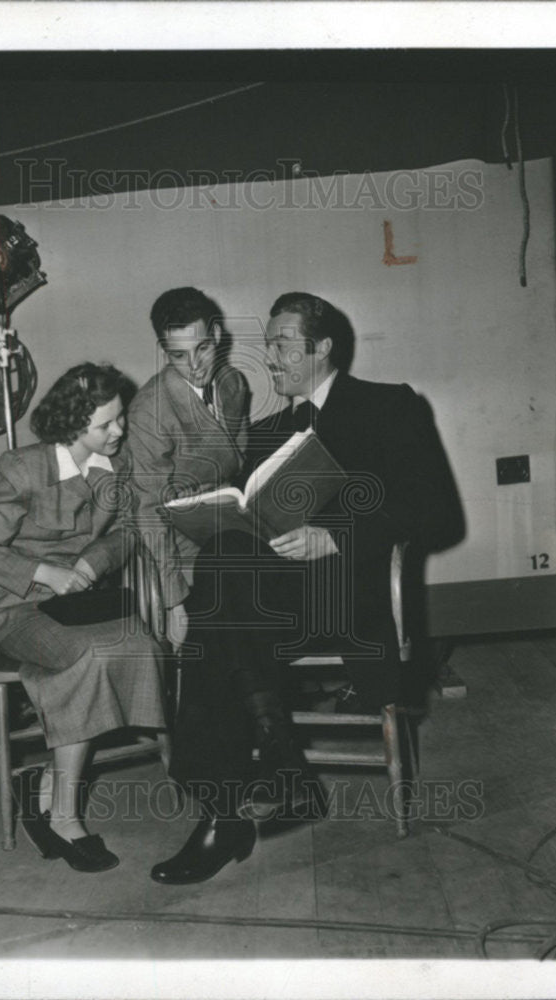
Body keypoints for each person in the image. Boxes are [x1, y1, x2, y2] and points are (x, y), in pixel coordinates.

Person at [151, 292, 463, 885]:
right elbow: (249, 516)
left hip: (351, 595)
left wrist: (336, 537)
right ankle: (266, 779)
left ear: (322, 348)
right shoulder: (268, 429)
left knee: (217, 617)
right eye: (268, 344)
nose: (269, 357)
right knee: (221, 570)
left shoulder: (389, 406)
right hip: (277, 600)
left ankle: (241, 800)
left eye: (281, 344)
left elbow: (438, 514)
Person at [0, 363, 167, 873]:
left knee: (140, 642)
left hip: (81, 602)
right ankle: (64, 816)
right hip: (22, 607)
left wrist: (91, 563)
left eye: (119, 419)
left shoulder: (112, 466)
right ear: (75, 426)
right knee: (88, 658)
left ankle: (48, 782)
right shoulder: (23, 467)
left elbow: (124, 532)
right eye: (107, 425)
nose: (119, 431)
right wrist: (44, 572)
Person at [126, 287, 250, 651]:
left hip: (230, 525)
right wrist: (173, 601)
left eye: (203, 349)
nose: (194, 366)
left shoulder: (233, 384)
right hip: (179, 543)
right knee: (241, 585)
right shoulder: (150, 409)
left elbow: (237, 463)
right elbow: (147, 511)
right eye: (178, 356)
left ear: (216, 337)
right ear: (164, 351)